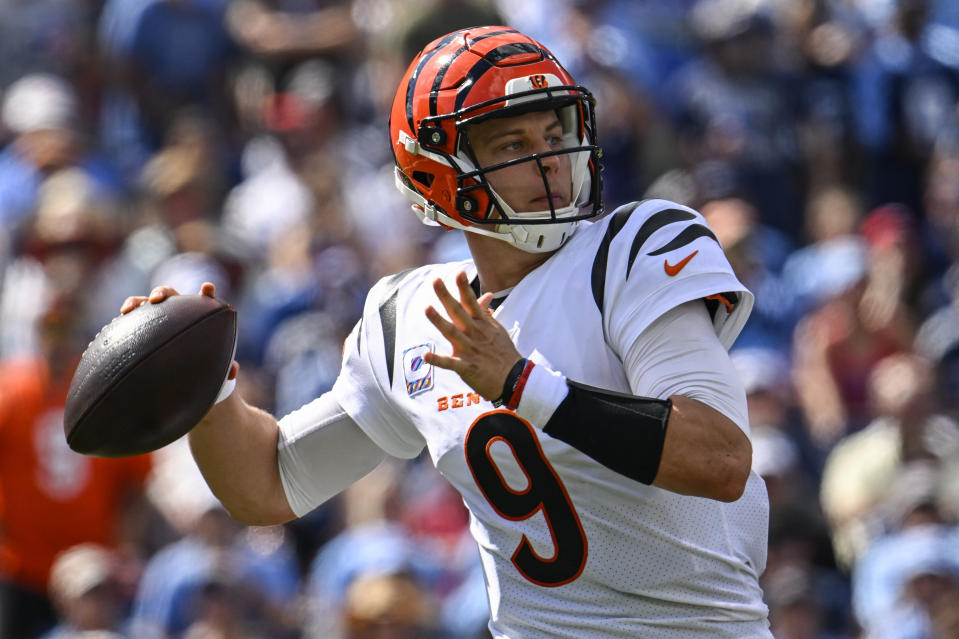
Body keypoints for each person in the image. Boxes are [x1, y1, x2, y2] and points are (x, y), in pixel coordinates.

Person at [123, 26, 771, 637]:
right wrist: (204, 391)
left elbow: (718, 459)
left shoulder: (635, 246)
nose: (549, 160)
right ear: (439, 174)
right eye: (513, 146)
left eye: (553, 131)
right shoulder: (410, 313)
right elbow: (269, 486)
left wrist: (521, 384)